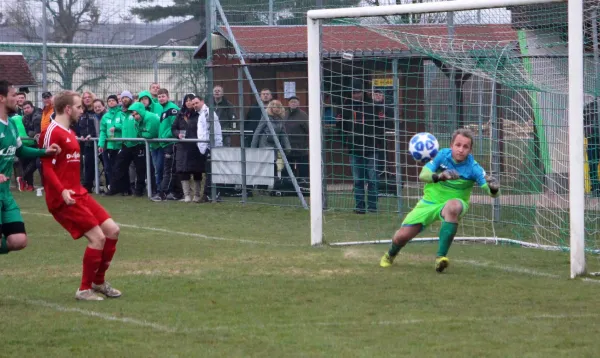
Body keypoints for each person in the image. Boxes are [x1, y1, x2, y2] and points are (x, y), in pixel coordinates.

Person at [379, 129, 500, 273]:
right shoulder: (442, 156)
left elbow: (491, 191)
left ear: (470, 150)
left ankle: (440, 258)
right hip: (429, 202)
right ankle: (390, 255)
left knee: (453, 206)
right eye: (458, 145)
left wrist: (493, 188)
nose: (461, 150)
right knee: (401, 237)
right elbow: (423, 175)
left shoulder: (474, 167)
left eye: (465, 147)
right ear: (451, 145)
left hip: (456, 202)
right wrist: (440, 176)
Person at [40, 91, 122, 301]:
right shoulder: (51, 132)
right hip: (63, 198)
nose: (81, 110)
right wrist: (62, 191)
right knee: (97, 238)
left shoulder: (70, 132)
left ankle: (98, 282)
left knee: (112, 230)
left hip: (79, 193)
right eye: (78, 107)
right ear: (67, 109)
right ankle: (84, 289)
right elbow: (47, 168)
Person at [0, 80, 61, 256]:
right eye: (13, 95)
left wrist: (45, 152)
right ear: (2, 98)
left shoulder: (10, 124)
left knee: (18, 240)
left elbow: (20, 150)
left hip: (5, 194)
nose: (17, 100)